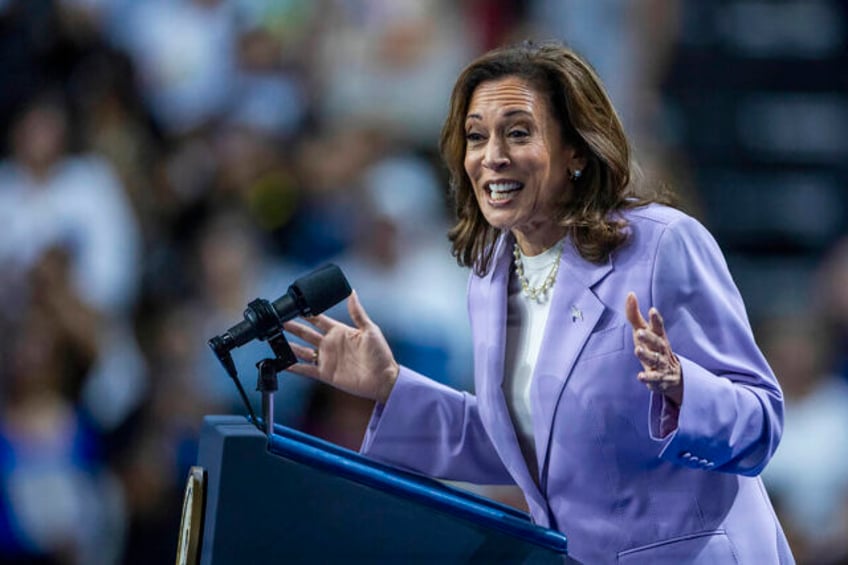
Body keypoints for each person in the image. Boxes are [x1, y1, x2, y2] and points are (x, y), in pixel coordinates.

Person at [283, 41, 793, 564]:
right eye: (476, 136)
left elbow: (761, 423)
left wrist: (685, 387)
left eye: (518, 132)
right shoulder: (490, 277)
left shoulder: (661, 246)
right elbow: (533, 447)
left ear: (575, 149)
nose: (492, 156)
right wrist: (388, 387)